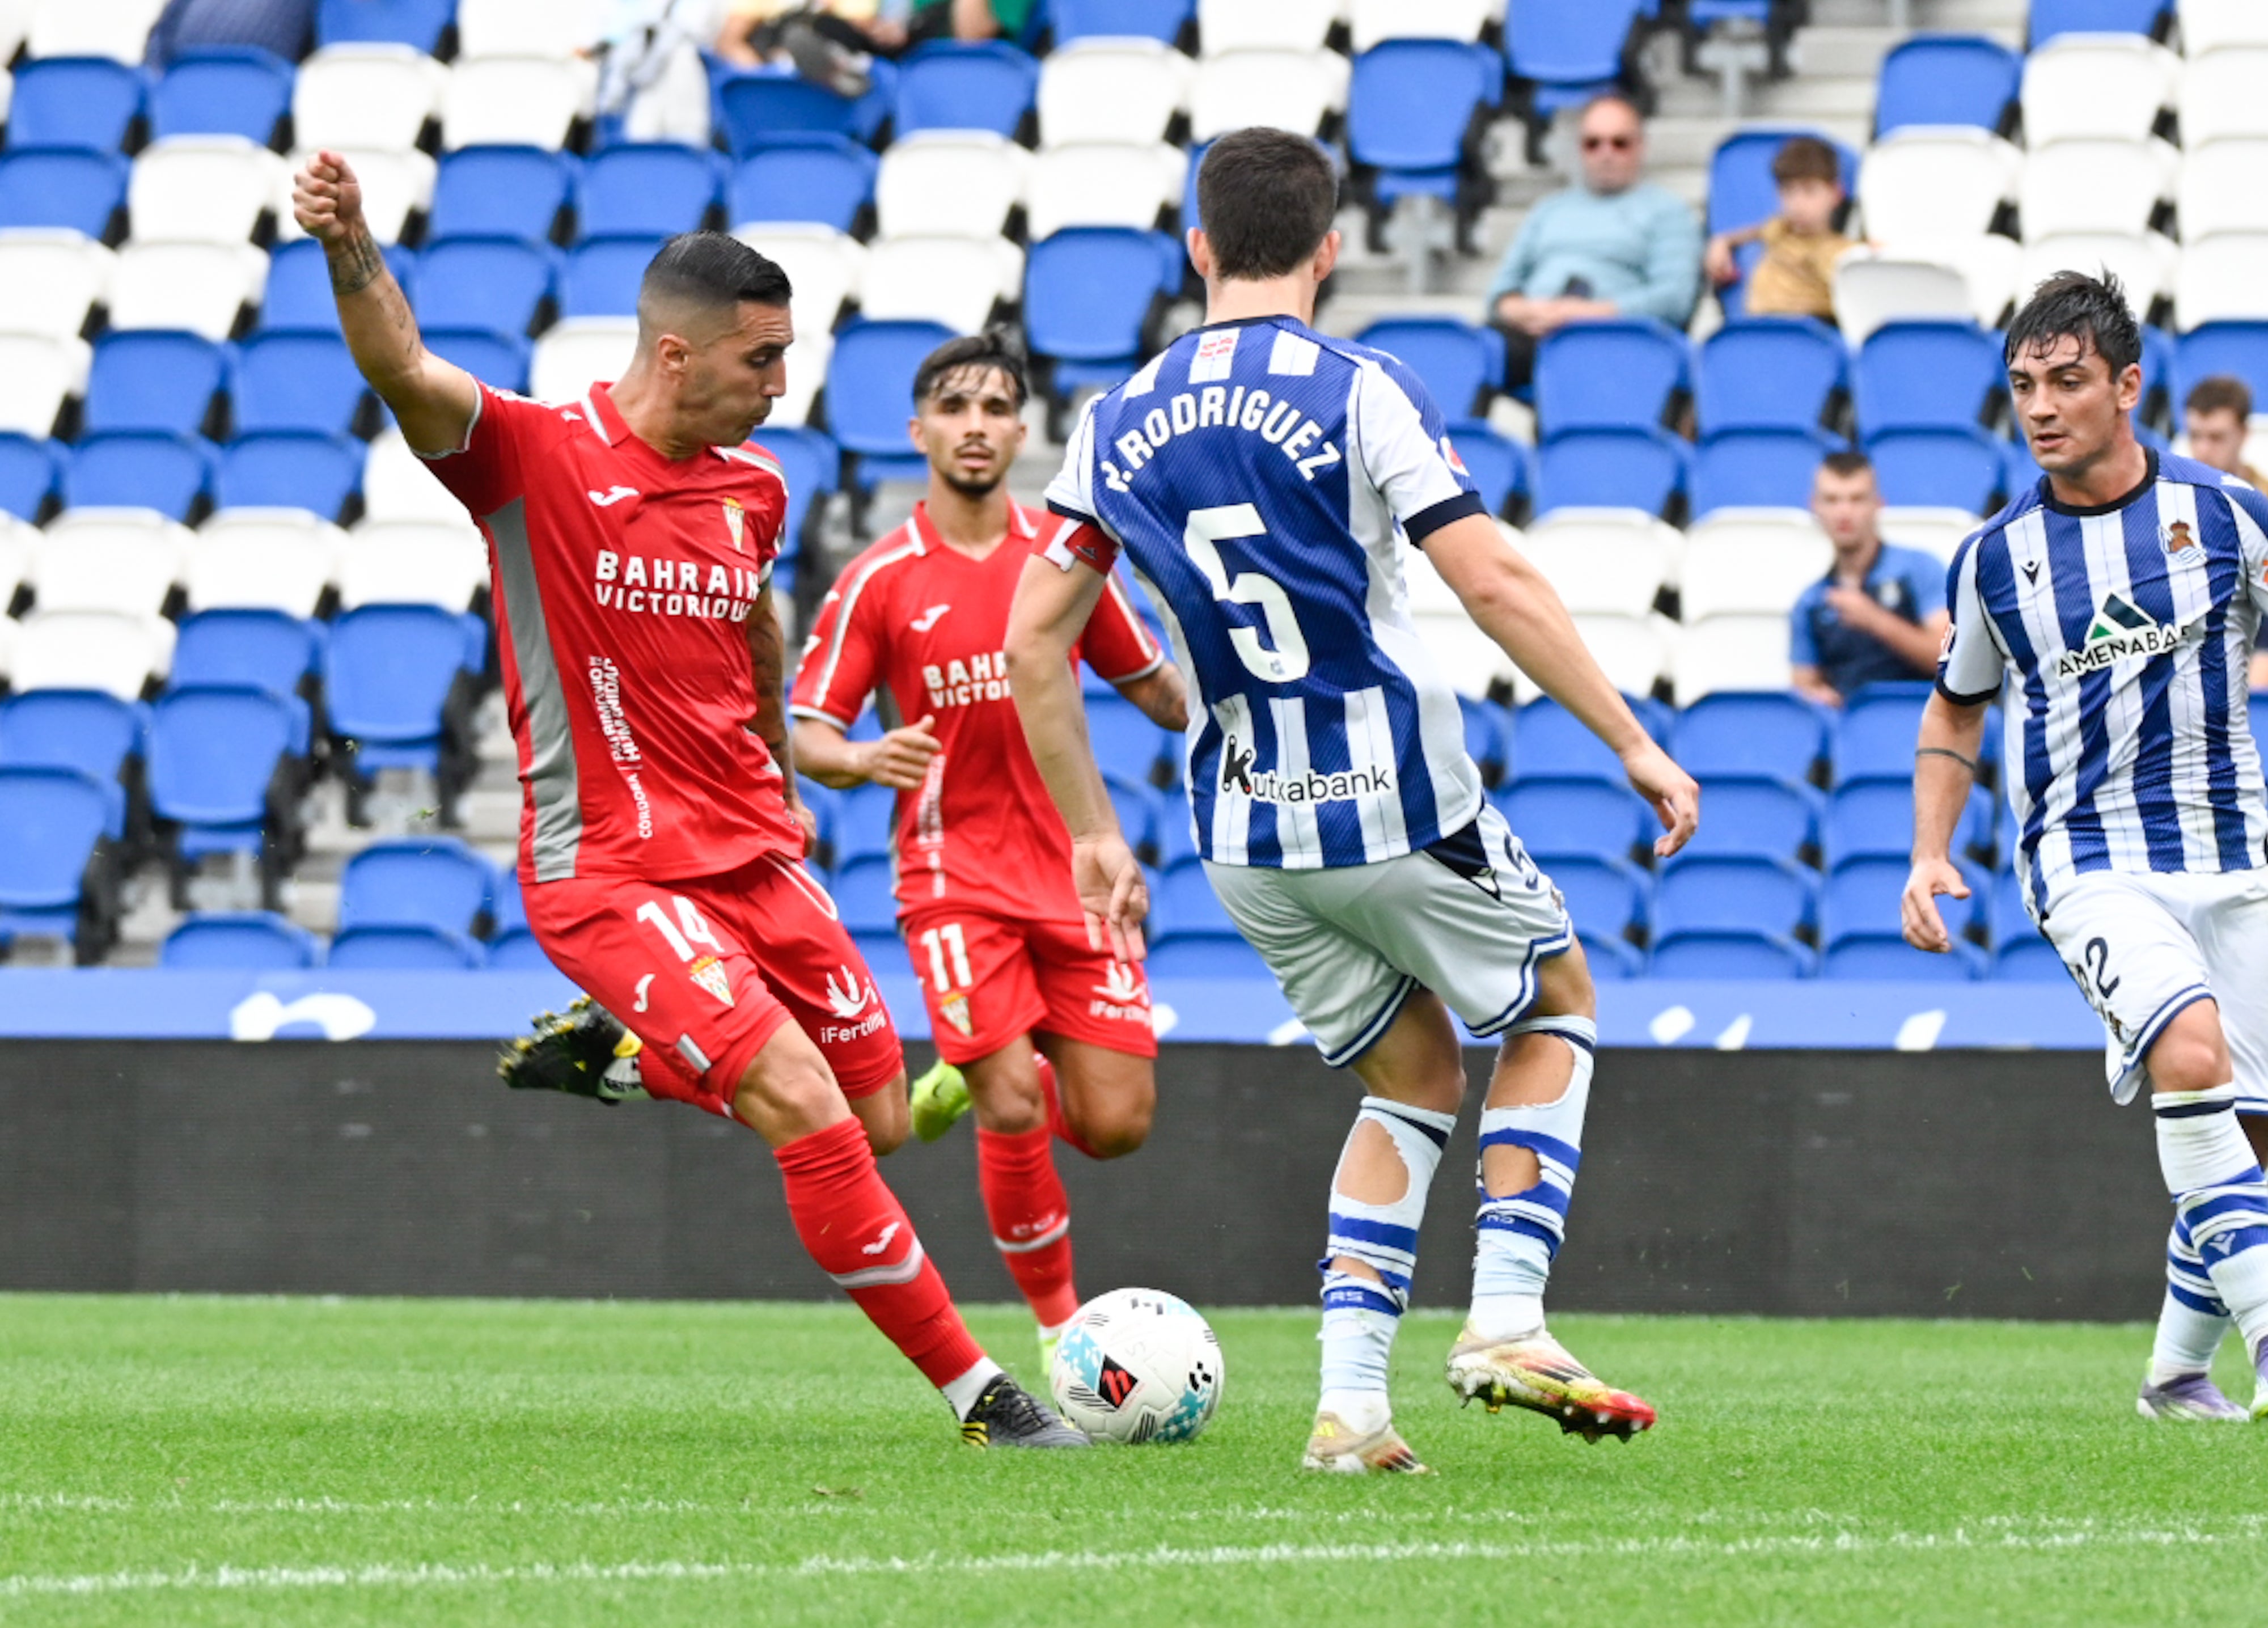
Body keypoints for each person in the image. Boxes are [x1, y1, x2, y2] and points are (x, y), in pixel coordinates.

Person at [291, 151, 1083, 1449]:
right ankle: (981, 1396)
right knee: (806, 1108)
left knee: (880, 1117)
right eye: (760, 361)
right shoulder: (532, 460)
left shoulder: (753, 489)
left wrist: (779, 763)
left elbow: (754, 631)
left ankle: (626, 1064)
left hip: (755, 854)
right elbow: (402, 366)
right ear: (674, 357)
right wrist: (349, 241)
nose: (783, 386)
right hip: (607, 867)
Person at [1008, 128, 1700, 1474]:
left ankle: (1350, 1410)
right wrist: (1629, 738)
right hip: (1391, 799)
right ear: (1330, 250)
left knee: (1415, 1074)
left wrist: (1095, 827)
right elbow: (1488, 579)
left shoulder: (1114, 417)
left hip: (1246, 832)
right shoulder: (1358, 388)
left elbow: (1035, 640)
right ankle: (1504, 1319)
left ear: (1197, 247)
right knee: (1556, 1002)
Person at [1903, 270, 2268, 1424]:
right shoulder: (1993, 560)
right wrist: (1926, 853)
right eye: (2022, 386)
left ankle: (2171, 1372)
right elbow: (1953, 709)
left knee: (2244, 1132)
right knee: (2192, 1059)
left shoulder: (2227, 517)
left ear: (2125, 384)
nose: (2041, 406)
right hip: (2086, 857)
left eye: (2065, 381)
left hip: (2234, 847)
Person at [789, 332, 1188, 1368]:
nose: (975, 425)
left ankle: (974, 1061)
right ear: (919, 431)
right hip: (950, 877)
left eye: (994, 407)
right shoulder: (881, 580)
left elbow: (1157, 689)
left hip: (1072, 872)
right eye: (954, 408)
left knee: (1116, 1125)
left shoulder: (1063, 563)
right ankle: (1063, 1336)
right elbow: (804, 729)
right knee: (1012, 1100)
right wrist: (861, 756)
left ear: (1022, 431)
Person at [1484, 95, 1702, 391]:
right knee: (1465, 353)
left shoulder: (1668, 212)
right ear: (1580, 149)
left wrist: (1583, 314)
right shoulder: (1549, 209)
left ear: (1641, 147)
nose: (1606, 153)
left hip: (1614, 338)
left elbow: (1673, 299)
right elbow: (1500, 295)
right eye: (1593, 143)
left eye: (1619, 143)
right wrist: (1531, 312)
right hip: (1532, 334)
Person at [1789, 450, 1951, 707]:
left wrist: (1874, 619)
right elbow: (1804, 685)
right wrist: (1816, 698)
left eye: (1857, 499)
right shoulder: (1811, 601)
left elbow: (1948, 660)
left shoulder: (1918, 569)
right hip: (1852, 735)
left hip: (1923, 723)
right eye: (1832, 500)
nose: (1844, 512)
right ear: (1814, 506)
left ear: (1879, 504)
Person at [1703, 134, 1852, 322]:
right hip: (1759, 328)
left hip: (1810, 332)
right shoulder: (1779, 229)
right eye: (1788, 192)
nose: (1797, 204)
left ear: (1836, 193)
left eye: (1809, 191)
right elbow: (1753, 232)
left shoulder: (1843, 252)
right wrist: (1722, 242)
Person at [2179, 377, 2268, 690]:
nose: (2203, 450)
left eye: (2216, 438)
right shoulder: (2166, 509)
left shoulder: (2263, 508)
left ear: (2243, 434)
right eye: (2195, 436)